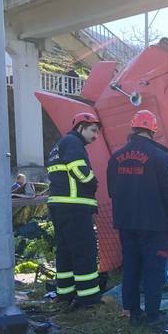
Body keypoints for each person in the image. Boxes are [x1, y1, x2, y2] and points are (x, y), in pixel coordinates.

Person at [107, 110, 168, 331]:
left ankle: (134, 313)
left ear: (133, 128)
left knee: (131, 267)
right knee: (153, 269)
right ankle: (153, 315)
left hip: (126, 222)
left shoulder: (116, 158)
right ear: (153, 130)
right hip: (154, 224)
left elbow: (111, 190)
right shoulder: (160, 157)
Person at [47, 112, 103, 309]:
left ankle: (65, 292)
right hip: (74, 206)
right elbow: (79, 169)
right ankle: (88, 298)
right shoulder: (73, 142)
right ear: (81, 126)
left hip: (59, 205)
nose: (95, 137)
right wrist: (93, 182)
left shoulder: (58, 144)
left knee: (65, 251)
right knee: (84, 251)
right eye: (93, 131)